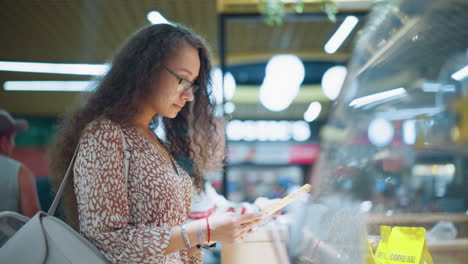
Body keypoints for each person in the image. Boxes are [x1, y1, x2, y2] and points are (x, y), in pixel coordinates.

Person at [49, 23, 262, 264]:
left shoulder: (154, 141)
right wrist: (203, 231)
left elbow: (171, 237)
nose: (189, 95)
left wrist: (206, 234)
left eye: (193, 84)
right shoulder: (106, 134)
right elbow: (106, 240)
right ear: (146, 69)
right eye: (182, 79)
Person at [0, 109, 41, 218]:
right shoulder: (21, 173)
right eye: (13, 139)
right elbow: (34, 224)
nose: (14, 144)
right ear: (4, 142)